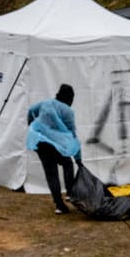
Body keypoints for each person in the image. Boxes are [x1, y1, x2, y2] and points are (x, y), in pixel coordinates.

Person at [25, 84, 81, 214]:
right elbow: (73, 135)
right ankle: (70, 192)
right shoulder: (68, 111)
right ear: (70, 98)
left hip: (39, 142)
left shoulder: (46, 103)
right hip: (52, 144)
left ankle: (59, 205)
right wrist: (78, 158)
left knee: (51, 174)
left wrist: (31, 125)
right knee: (67, 163)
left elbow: (30, 111)